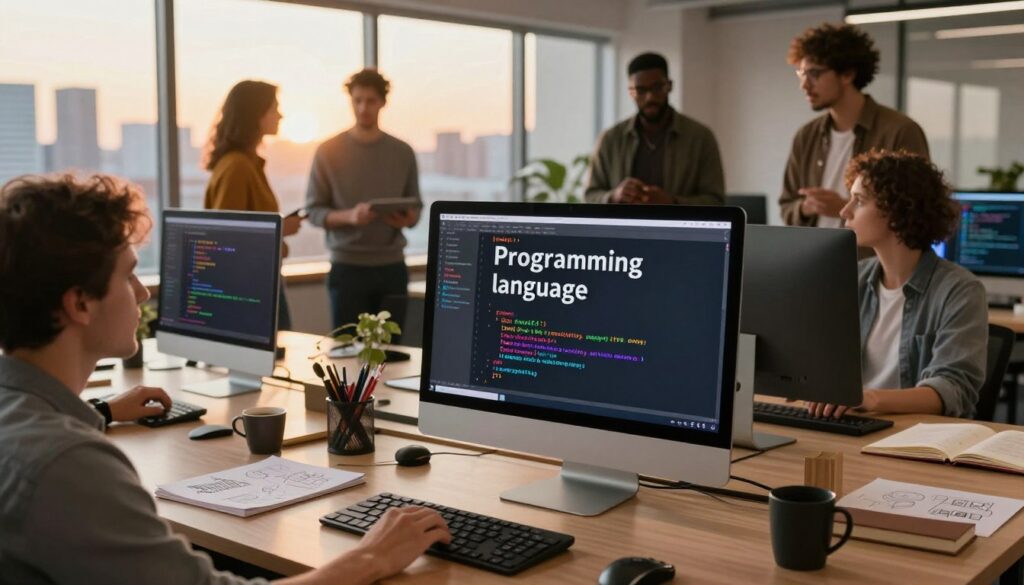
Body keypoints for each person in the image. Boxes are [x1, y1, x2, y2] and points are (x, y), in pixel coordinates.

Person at [0, 174, 450, 584]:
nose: (142, 292)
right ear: (80, 303)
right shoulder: (70, 467)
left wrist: (102, 410)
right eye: (129, 274)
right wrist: (370, 557)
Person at [806, 151, 987, 420]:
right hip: (852, 425)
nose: (844, 211)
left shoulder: (960, 290)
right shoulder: (850, 279)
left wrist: (868, 399)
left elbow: (953, 389)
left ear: (898, 211)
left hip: (917, 434)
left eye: (859, 201)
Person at [780, 23, 929, 229]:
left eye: (814, 74)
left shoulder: (900, 131)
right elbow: (786, 207)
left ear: (847, 75)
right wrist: (805, 207)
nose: (804, 85)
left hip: (867, 251)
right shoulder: (806, 136)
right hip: (814, 249)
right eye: (802, 74)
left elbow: (916, 211)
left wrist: (844, 208)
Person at [305, 69, 421, 329]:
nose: (363, 108)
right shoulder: (327, 151)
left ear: (382, 102)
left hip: (392, 268)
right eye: (357, 100)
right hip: (347, 269)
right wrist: (351, 217)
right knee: (347, 348)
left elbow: (416, 207)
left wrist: (407, 218)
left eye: (370, 101)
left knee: (392, 349)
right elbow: (314, 211)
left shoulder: (403, 152)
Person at [204, 80, 302, 331]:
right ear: (256, 114)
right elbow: (226, 239)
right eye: (274, 108)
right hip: (251, 290)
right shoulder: (237, 167)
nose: (280, 115)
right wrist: (280, 229)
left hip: (260, 283)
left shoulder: (247, 164)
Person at [585, 52, 724, 206]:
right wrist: (614, 196)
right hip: (625, 222)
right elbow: (589, 196)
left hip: (676, 222)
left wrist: (673, 203)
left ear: (669, 86)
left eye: (657, 87)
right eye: (641, 90)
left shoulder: (700, 138)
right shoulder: (610, 139)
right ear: (631, 92)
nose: (650, 97)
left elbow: (716, 201)